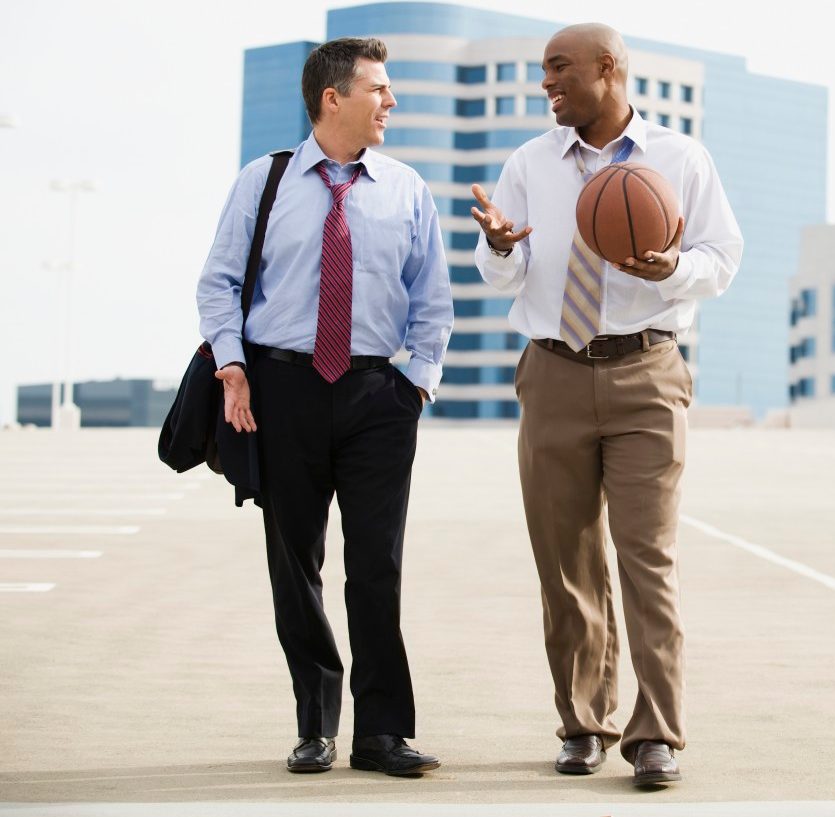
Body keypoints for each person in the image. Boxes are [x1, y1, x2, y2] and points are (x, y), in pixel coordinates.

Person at [471, 23, 742, 787]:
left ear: (608, 69)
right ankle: (583, 721)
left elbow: (722, 259)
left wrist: (671, 268)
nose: (547, 83)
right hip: (553, 371)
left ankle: (656, 733)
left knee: (646, 557)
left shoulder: (680, 159)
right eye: (543, 72)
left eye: (560, 69)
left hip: (645, 372)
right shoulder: (529, 161)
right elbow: (510, 273)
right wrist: (497, 245)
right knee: (566, 564)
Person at [196, 37, 453, 776]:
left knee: (378, 565)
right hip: (283, 390)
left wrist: (419, 383)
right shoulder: (264, 181)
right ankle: (316, 722)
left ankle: (382, 732)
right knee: (294, 562)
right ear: (332, 97)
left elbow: (432, 300)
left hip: (379, 393)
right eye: (380, 88)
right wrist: (233, 366)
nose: (391, 101)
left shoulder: (406, 188)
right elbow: (217, 282)